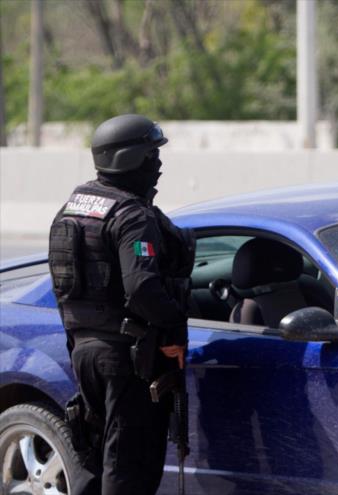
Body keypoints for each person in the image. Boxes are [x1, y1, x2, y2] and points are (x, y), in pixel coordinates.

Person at [48, 114, 194, 495]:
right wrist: (174, 327)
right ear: (128, 159)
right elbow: (143, 287)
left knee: (97, 459)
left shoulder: (73, 209)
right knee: (129, 465)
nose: (157, 165)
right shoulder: (132, 216)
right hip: (127, 358)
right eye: (150, 156)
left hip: (84, 351)